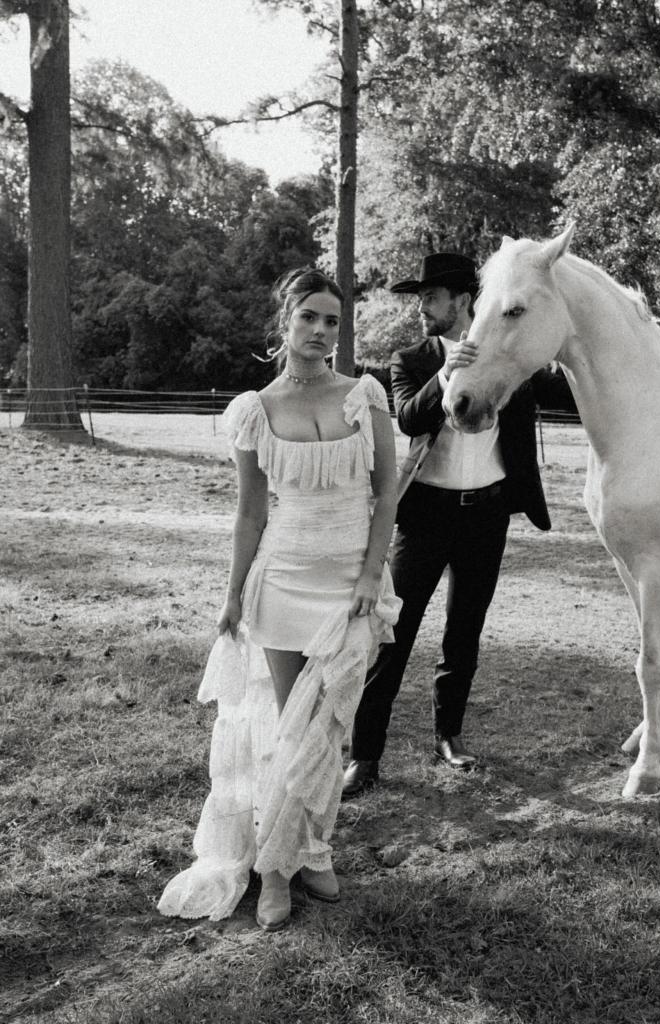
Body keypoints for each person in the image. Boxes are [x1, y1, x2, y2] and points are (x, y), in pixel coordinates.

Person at [158, 267, 400, 931]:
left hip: (351, 586)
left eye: (332, 320)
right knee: (291, 736)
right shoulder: (253, 411)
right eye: (309, 318)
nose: (322, 332)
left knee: (330, 730)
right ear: (285, 323)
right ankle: (277, 869)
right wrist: (231, 595)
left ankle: (305, 849)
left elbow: (388, 495)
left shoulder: (365, 395)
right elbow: (248, 516)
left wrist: (369, 576)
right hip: (281, 585)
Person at [342, 251, 561, 797]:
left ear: (463, 301)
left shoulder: (509, 356)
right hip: (423, 516)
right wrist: (445, 373)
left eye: (431, 298)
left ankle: (449, 735)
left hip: (486, 513)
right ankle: (364, 755)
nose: (422, 308)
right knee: (392, 636)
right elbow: (409, 418)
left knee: (464, 633)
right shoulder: (410, 358)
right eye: (420, 300)